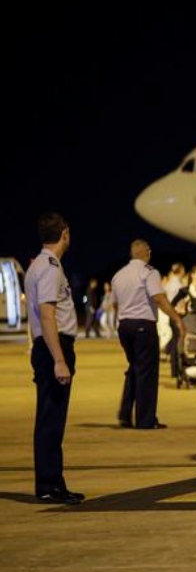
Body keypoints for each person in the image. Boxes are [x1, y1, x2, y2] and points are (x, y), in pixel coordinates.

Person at [25, 212, 85, 505]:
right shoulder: (49, 267)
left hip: (48, 347)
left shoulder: (40, 265)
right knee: (51, 420)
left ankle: (53, 482)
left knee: (51, 419)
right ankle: (49, 484)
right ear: (65, 234)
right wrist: (59, 359)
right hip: (54, 347)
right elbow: (48, 315)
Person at [111, 239, 187, 429]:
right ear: (146, 252)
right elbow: (159, 299)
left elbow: (114, 304)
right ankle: (145, 420)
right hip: (143, 326)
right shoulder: (149, 273)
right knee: (147, 373)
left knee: (134, 368)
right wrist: (177, 318)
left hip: (125, 326)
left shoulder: (118, 276)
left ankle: (125, 413)